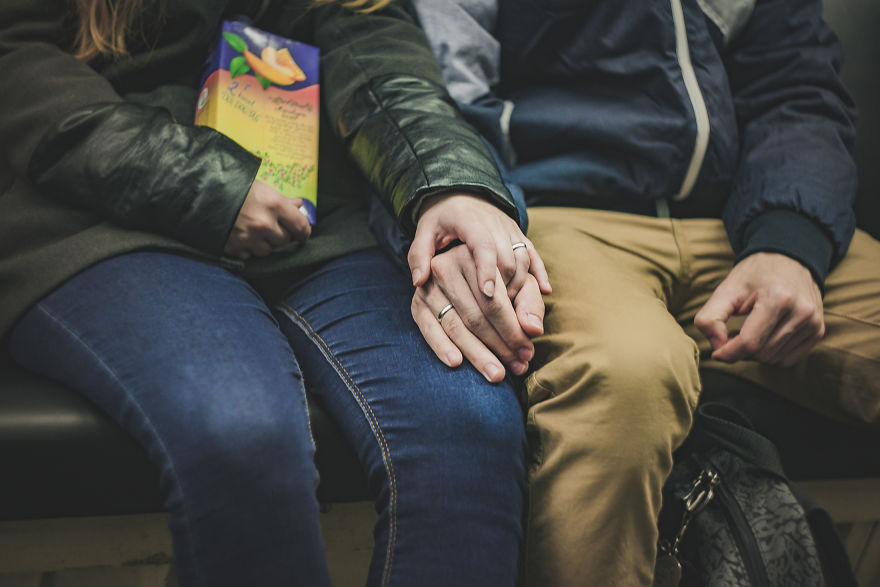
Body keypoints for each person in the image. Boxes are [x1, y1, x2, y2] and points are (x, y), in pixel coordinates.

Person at [0, 0, 550, 585]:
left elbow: (375, 51)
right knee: (243, 438)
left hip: (315, 217)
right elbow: (18, 59)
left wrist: (447, 185)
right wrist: (199, 180)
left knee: (468, 431)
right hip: (101, 215)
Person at [397, 0, 880, 584]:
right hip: (551, 212)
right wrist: (468, 218)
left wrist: (789, 241)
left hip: (745, 215)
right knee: (627, 374)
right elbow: (439, 95)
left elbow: (796, 82)